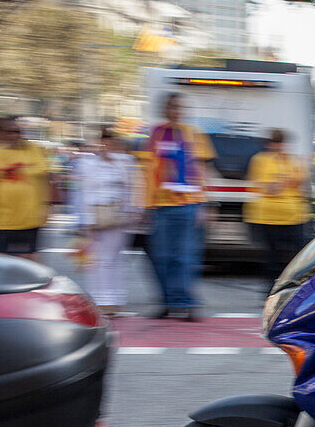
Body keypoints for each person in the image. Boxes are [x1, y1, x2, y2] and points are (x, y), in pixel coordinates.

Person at [143, 92, 215, 320]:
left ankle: (186, 303)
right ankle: (167, 302)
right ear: (165, 109)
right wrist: (145, 206)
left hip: (188, 205)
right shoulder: (156, 134)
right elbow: (148, 172)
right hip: (161, 207)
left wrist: (208, 204)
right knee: (161, 257)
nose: (175, 110)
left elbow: (205, 170)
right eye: (171, 106)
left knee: (185, 258)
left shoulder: (194, 134)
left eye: (178, 107)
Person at [75, 127, 140, 315]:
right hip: (96, 215)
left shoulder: (126, 161)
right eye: (105, 138)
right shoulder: (88, 163)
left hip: (119, 216)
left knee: (115, 258)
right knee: (97, 259)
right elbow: (82, 191)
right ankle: (100, 299)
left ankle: (115, 299)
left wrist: (135, 211)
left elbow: (133, 188)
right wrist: (83, 220)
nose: (109, 142)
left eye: (112, 138)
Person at [0, 116, 50, 261]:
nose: (15, 135)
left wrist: (48, 206)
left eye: (18, 132)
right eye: (10, 131)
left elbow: (45, 177)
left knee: (30, 266)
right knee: (1, 267)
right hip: (0, 224)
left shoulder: (32, 150)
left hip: (30, 221)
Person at [246, 128, 310, 284]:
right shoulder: (260, 160)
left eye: (281, 143)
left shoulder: (293, 160)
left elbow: (301, 182)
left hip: (293, 215)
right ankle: (270, 291)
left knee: (298, 255)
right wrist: (284, 182)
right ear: (269, 144)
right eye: (275, 143)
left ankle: (294, 287)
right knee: (271, 256)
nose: (278, 146)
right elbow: (269, 188)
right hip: (269, 216)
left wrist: (281, 183)